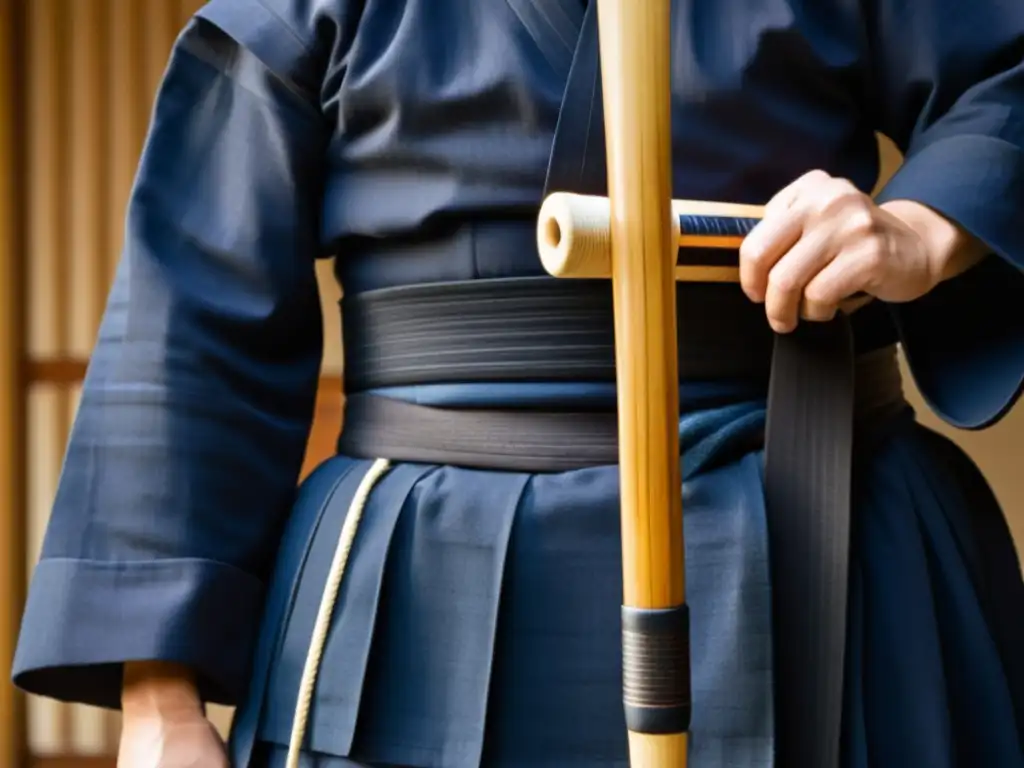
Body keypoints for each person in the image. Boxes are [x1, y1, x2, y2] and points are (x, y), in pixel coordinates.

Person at [11, 0, 1024, 766]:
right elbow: (195, 309)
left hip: (816, 510)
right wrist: (160, 701)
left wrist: (921, 227)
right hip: (421, 554)